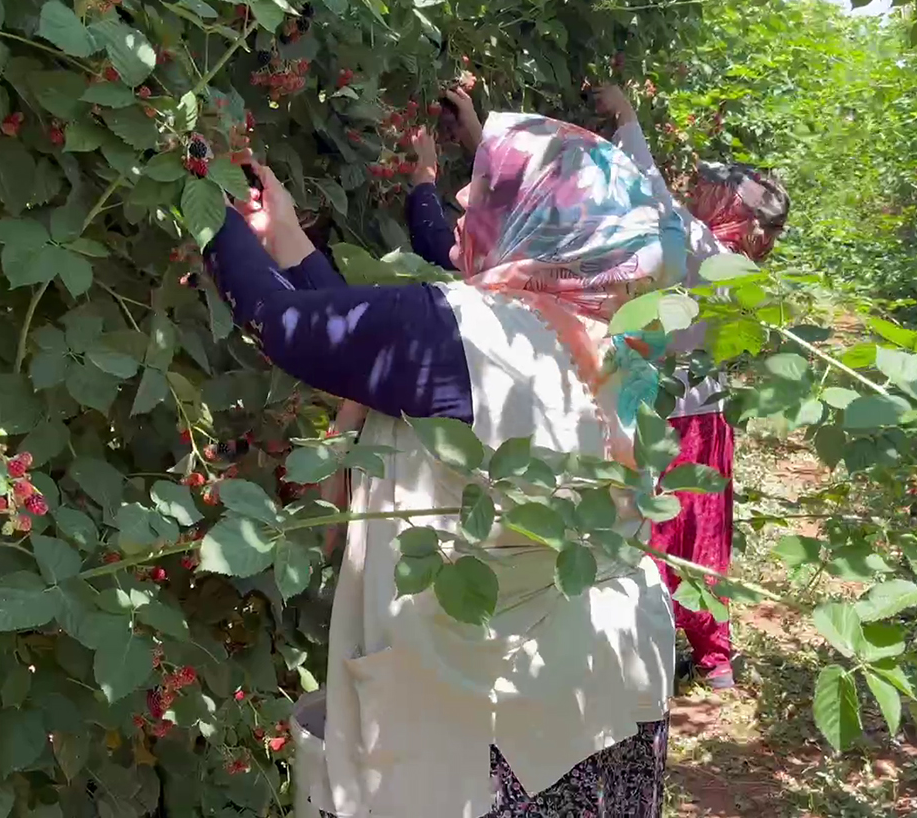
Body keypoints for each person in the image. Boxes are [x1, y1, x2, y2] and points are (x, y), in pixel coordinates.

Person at [204, 102, 686, 817]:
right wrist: (291, 246)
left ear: (541, 221)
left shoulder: (473, 331)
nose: (463, 195)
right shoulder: (616, 350)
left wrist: (195, 188)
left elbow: (293, 330)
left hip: (498, 735)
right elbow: (381, 353)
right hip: (599, 689)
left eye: (490, 188)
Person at [594, 85, 790, 691]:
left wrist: (625, 115)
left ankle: (662, 650)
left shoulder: (707, 252)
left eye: (715, 191)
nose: (700, 193)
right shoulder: (737, 270)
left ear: (738, 215)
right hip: (701, 415)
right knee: (699, 531)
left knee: (655, 526)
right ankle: (712, 657)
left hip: (670, 414)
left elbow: (650, 192)